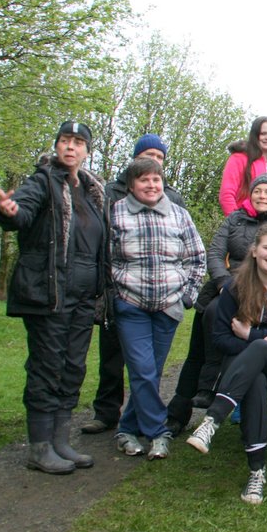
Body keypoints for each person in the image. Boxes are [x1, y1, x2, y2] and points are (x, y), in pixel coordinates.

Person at [0, 120, 107, 474]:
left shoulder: (92, 192)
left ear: (87, 150)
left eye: (78, 142)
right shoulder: (42, 181)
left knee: (73, 367)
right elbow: (22, 211)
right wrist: (9, 212)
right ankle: (40, 448)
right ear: (57, 146)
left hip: (84, 298)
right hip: (50, 294)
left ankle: (61, 441)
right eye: (65, 141)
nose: (70, 147)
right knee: (47, 367)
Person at [186, 225, 267, 505]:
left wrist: (251, 336)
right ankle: (257, 472)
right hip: (246, 370)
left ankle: (213, 419)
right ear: (254, 251)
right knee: (255, 379)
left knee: (260, 348)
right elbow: (220, 339)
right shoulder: (235, 287)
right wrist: (261, 341)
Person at [165, 174, 267, 435]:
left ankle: (215, 390)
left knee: (226, 328)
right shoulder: (235, 219)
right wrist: (223, 283)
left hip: (262, 290)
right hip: (228, 285)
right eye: (258, 191)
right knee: (205, 326)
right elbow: (216, 253)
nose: (262, 196)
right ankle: (178, 412)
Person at [83, 134, 186, 435]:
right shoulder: (110, 193)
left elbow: (188, 248)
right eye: (149, 154)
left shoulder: (173, 197)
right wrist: (109, 290)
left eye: (160, 157)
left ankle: (133, 423)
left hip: (163, 294)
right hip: (121, 294)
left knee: (146, 366)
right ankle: (106, 413)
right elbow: (103, 246)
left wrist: (185, 292)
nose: (155, 160)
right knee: (112, 357)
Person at [111, 158, 206, 460]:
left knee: (150, 373)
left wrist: (188, 296)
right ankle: (158, 432)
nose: (151, 185)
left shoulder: (179, 214)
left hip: (168, 306)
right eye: (144, 180)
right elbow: (105, 259)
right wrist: (115, 293)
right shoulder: (115, 213)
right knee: (142, 370)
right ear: (131, 185)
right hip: (131, 304)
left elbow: (197, 257)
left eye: (156, 179)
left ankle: (126, 430)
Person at [219, 116, 267, 216]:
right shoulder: (238, 158)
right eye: (263, 133)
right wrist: (236, 221)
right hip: (243, 220)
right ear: (254, 135)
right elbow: (226, 195)